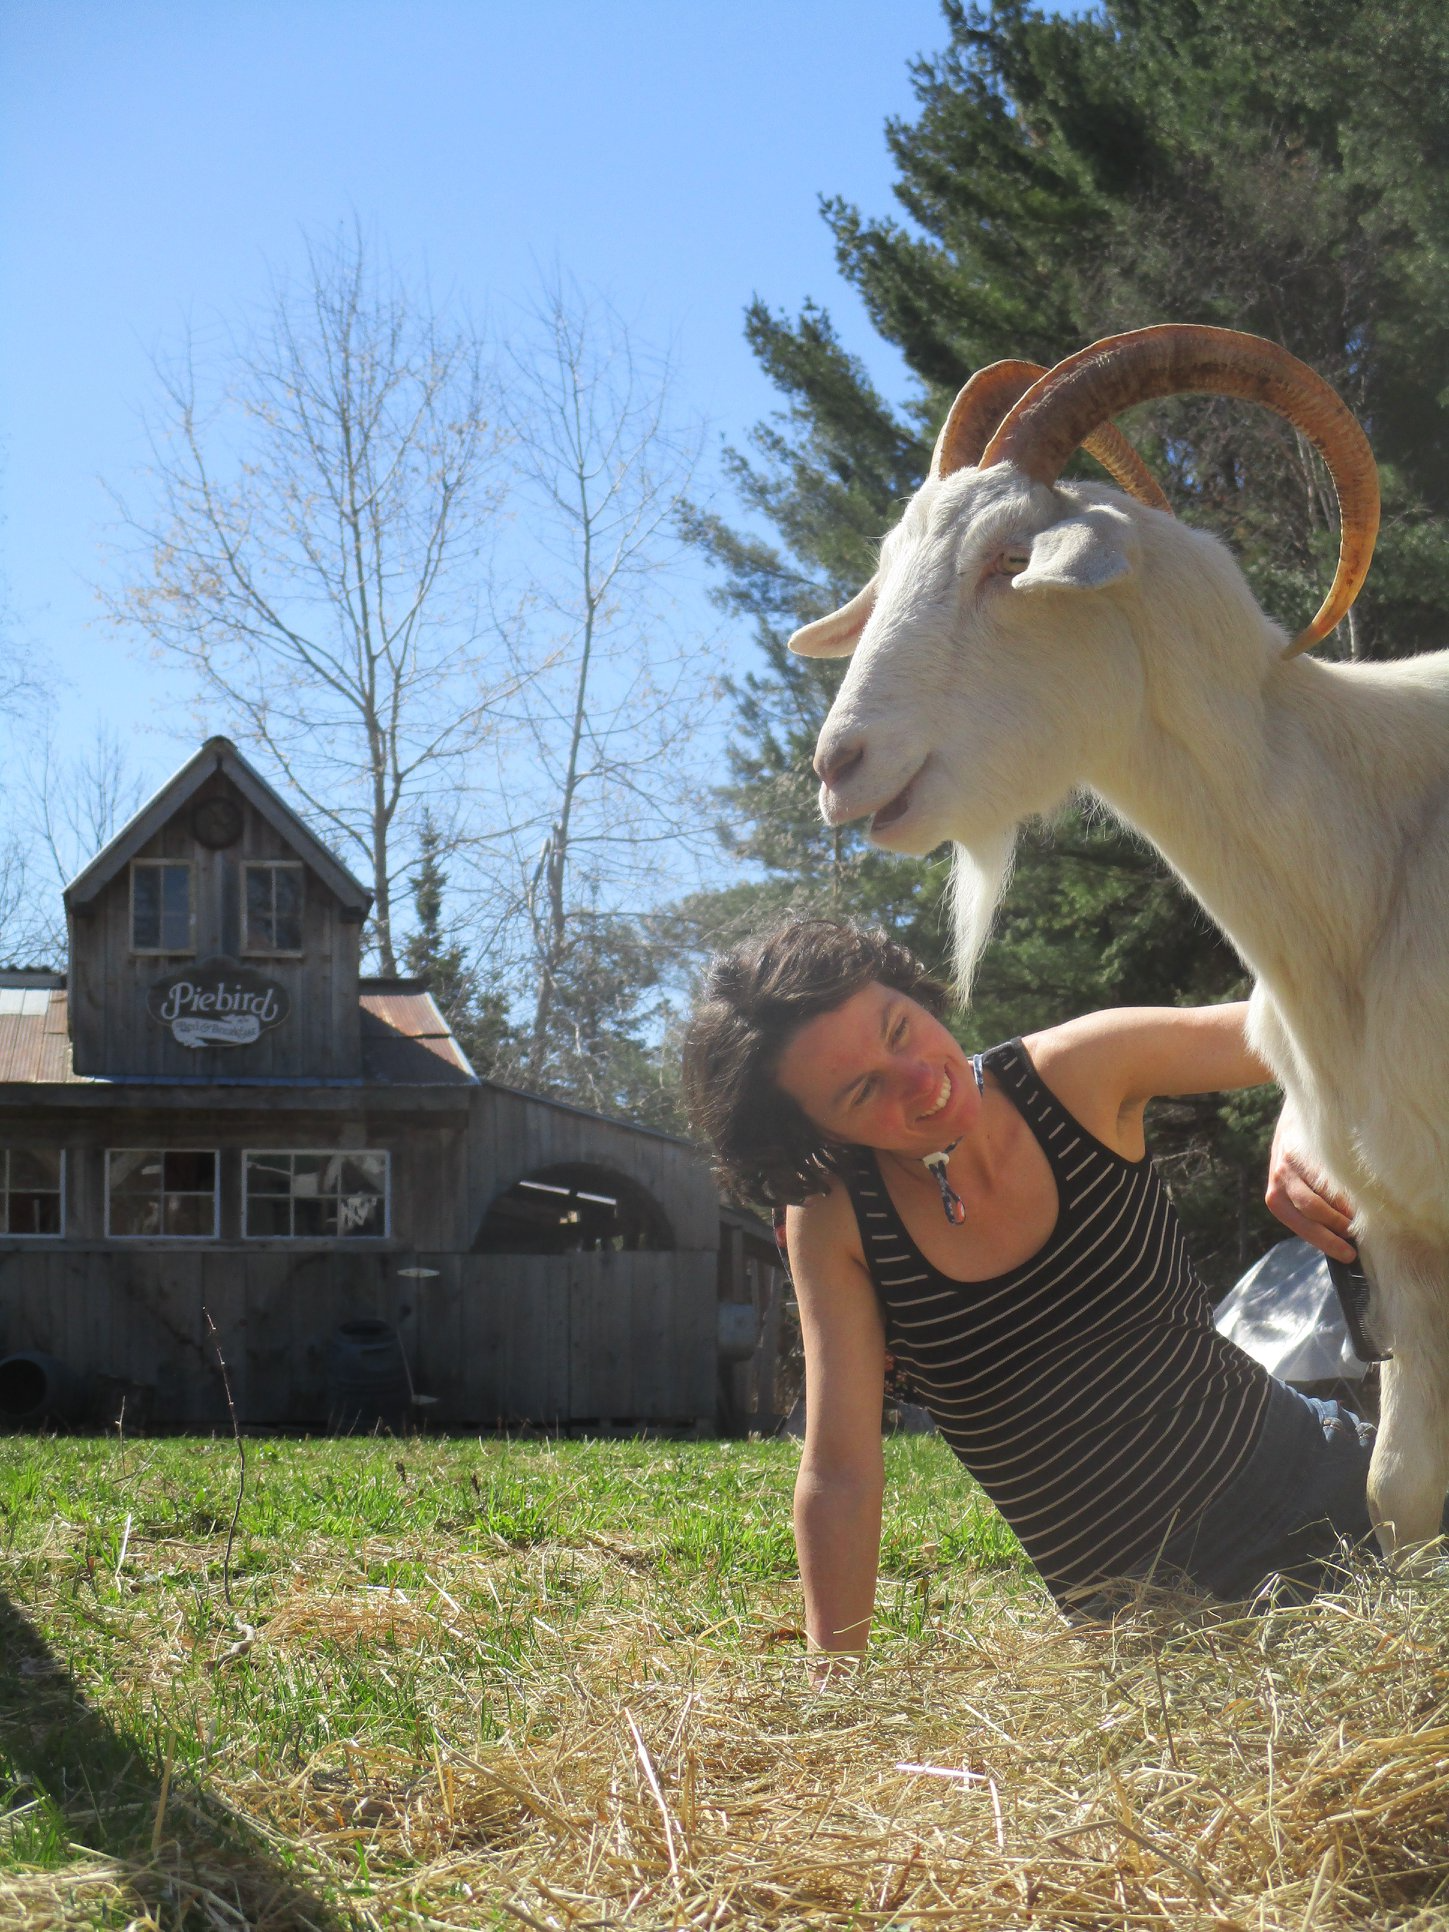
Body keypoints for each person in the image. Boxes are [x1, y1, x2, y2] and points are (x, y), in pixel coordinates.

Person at [682, 918, 1381, 1656]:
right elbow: (841, 1471)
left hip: (1339, 1497)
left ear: (914, 992)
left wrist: (1300, 1119)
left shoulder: (1079, 1070)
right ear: (811, 1132)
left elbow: (1330, 1024)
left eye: (898, 1028)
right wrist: (838, 1686)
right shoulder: (837, 1221)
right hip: (1150, 1633)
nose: (920, 1078)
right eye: (862, 1089)